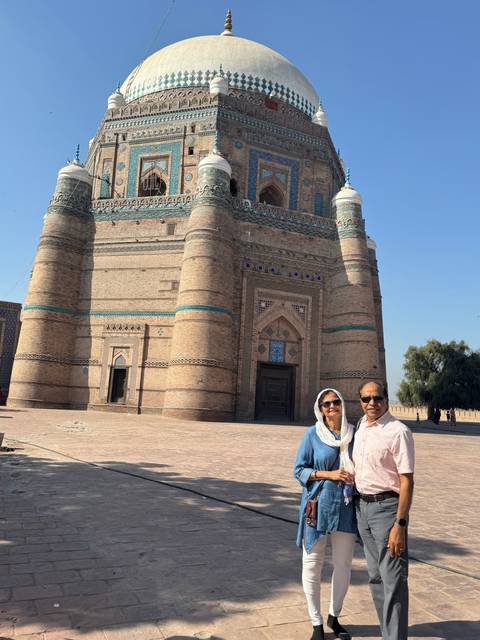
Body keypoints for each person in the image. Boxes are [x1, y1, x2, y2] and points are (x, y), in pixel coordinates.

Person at [353, 381, 415, 640]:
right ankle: (387, 633)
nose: (372, 403)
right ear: (360, 402)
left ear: (386, 399)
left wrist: (400, 525)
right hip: (363, 508)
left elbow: (407, 480)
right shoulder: (360, 427)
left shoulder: (398, 431)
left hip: (387, 510)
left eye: (377, 398)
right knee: (376, 577)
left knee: (393, 581)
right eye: (366, 399)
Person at [294, 388, 356, 640]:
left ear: (342, 404)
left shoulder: (355, 434)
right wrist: (327, 474)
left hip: (346, 505)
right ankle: (316, 622)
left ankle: (334, 615)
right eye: (326, 404)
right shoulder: (312, 435)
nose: (332, 407)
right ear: (320, 409)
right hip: (318, 504)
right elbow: (299, 470)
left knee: (343, 565)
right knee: (312, 564)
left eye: (335, 402)